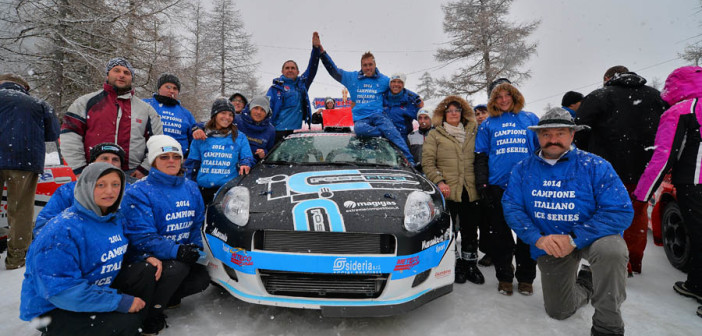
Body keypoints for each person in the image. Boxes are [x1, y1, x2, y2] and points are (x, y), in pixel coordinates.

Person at [503, 107, 633, 336]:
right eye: (546, 134)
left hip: (592, 239)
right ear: (537, 136)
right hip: (549, 243)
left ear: (572, 135)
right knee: (559, 311)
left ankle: (608, 324)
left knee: (612, 250)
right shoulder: (522, 169)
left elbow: (619, 211)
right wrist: (538, 239)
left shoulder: (595, 165)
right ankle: (586, 283)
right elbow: (512, 207)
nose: (553, 139)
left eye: (560, 133)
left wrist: (574, 238)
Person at [20, 162, 158, 336]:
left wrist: (142, 257)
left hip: (90, 288)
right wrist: (118, 302)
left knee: (144, 271)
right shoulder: (62, 230)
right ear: (85, 186)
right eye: (100, 185)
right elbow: (61, 290)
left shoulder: (113, 217)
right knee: (126, 323)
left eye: (115, 184)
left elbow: (118, 248)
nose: (110, 191)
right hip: (52, 306)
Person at [575, 65, 668, 276]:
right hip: (645, 169)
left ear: (608, 78)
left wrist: (585, 156)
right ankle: (634, 261)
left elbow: (579, 130)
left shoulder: (600, 96)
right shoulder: (656, 96)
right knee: (638, 213)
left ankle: (618, 264)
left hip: (607, 169)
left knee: (607, 214)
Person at [122, 135, 210, 334]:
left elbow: (196, 224)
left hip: (179, 252)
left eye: (175, 156)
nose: (171, 161)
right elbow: (141, 237)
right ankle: (150, 313)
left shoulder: (191, 187)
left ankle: (165, 297)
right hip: (145, 259)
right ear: (153, 161)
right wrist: (177, 251)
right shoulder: (139, 191)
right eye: (164, 157)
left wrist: (195, 249)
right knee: (175, 270)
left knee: (201, 278)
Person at [633, 66, 702, 318]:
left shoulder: (682, 110)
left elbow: (663, 157)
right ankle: (696, 284)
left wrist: (641, 195)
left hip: (695, 183)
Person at [474, 79, 539, 296]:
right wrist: (482, 183)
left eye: (507, 95)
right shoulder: (488, 124)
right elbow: (481, 155)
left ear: (514, 96)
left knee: (526, 235)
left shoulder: (529, 119)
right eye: (498, 96)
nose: (503, 100)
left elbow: (542, 152)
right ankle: (504, 276)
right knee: (500, 235)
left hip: (526, 186)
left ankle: (526, 277)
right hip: (497, 187)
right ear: (493, 100)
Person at [318, 36, 415, 165]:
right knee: (361, 131)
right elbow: (334, 71)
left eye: (370, 65)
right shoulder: (352, 78)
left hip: (379, 115)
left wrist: (415, 97)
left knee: (394, 134)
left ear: (375, 65)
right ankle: (387, 134)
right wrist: (322, 54)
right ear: (361, 66)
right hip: (361, 118)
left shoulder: (384, 80)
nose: (368, 67)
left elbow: (398, 87)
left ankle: (411, 162)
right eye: (365, 65)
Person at [60, 57, 163, 178]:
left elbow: (157, 142)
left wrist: (144, 169)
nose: (121, 75)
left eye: (126, 73)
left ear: (131, 78)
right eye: (116, 70)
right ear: (108, 75)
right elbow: (70, 136)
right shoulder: (85, 102)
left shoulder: (146, 110)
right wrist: (79, 168)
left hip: (132, 174)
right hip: (92, 172)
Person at [0, 73, 60, 269]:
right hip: (24, 160)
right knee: (21, 211)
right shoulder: (38, 103)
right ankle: (16, 259)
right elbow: (53, 133)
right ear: (24, 87)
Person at [422, 96, 483, 285]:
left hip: (470, 189)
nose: (454, 113)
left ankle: (470, 263)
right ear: (444, 114)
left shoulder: (473, 132)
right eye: (450, 110)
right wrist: (440, 181)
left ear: (463, 113)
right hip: (448, 190)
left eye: (457, 110)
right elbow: (428, 162)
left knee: (470, 229)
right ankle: (455, 264)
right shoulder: (435, 134)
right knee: (450, 230)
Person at [34, 143, 130, 236]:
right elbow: (43, 226)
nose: (110, 163)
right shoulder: (67, 191)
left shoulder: (130, 192)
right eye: (104, 158)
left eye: (115, 160)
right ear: (93, 163)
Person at [185, 98, 255, 204]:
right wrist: (190, 186)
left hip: (227, 191)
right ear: (215, 114)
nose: (227, 117)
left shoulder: (239, 137)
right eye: (223, 113)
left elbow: (247, 157)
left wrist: (245, 163)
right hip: (203, 190)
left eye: (231, 115)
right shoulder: (201, 136)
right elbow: (192, 164)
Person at [267, 32, 322, 143]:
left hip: (297, 131)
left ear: (298, 71)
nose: (290, 70)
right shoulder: (275, 88)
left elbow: (312, 68)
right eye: (287, 68)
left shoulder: (302, 84)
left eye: (293, 68)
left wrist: (316, 49)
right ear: (282, 71)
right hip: (278, 131)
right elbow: (267, 110)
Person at [143, 73, 199, 157]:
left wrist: (187, 158)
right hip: (148, 158)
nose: (172, 91)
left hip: (176, 160)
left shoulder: (186, 113)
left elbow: (194, 139)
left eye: (175, 88)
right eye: (168, 87)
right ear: (159, 88)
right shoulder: (145, 105)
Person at [235, 96, 276, 163]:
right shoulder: (236, 120)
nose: (259, 112)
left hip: (253, 167)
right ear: (250, 108)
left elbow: (269, 151)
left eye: (263, 110)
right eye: (256, 108)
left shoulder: (270, 130)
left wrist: (264, 153)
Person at [384, 73, 424, 139]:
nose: (396, 84)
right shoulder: (382, 97)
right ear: (390, 84)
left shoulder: (411, 100)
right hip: (383, 138)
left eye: (399, 82)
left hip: (402, 139)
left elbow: (422, 119)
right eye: (393, 81)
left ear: (403, 84)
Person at [407, 108, 433, 173]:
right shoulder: (411, 136)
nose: (422, 121)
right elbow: (407, 155)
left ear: (431, 119)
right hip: (417, 173)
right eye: (420, 118)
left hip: (435, 173)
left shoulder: (438, 135)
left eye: (426, 118)